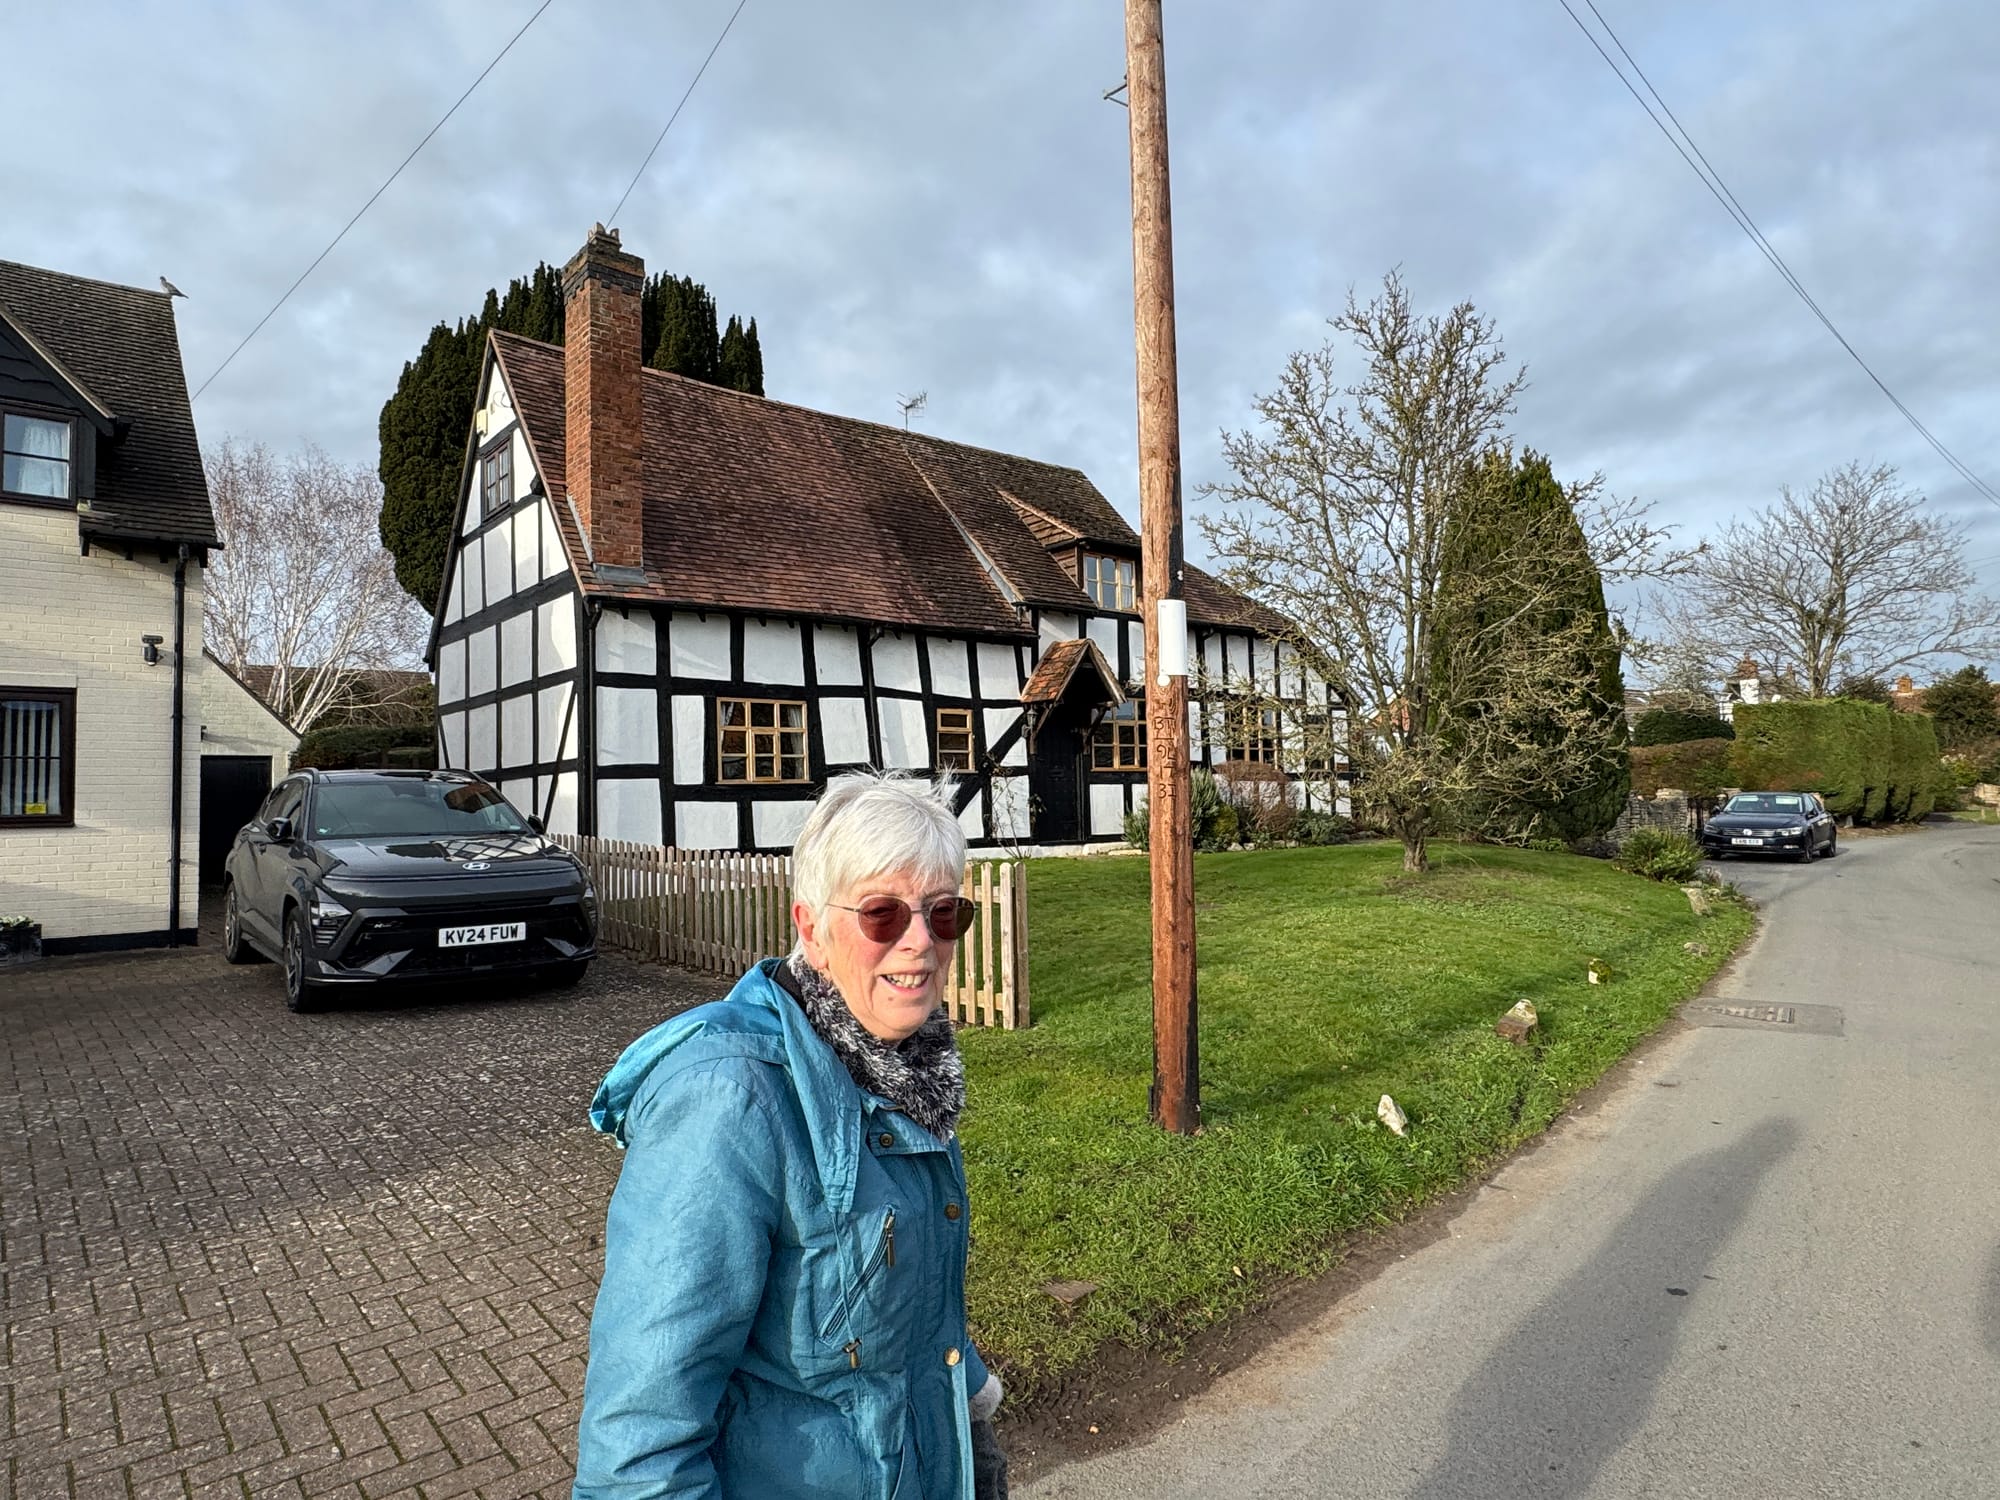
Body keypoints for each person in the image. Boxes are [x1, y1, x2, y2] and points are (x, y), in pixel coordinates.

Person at [573, 772, 1009, 1499]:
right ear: (811, 929)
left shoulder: (907, 1069)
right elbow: (638, 1451)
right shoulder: (728, 1100)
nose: (920, 943)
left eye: (943, 913)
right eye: (881, 914)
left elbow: (907, 1295)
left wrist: (969, 1417)